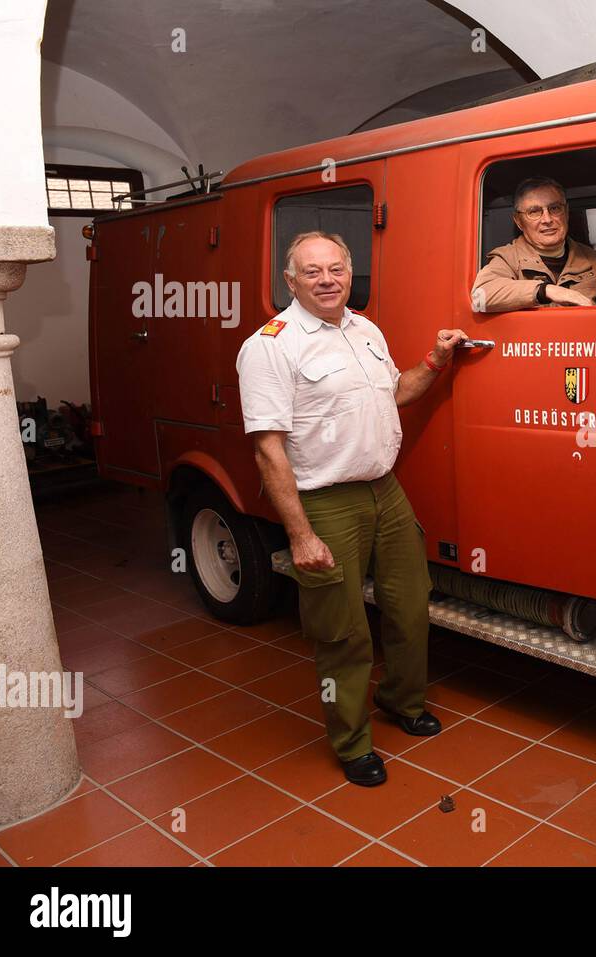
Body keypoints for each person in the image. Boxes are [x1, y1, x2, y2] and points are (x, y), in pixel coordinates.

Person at [235, 230, 467, 787]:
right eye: (311, 272)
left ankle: (403, 702)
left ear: (349, 272)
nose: (326, 280)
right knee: (343, 633)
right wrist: (300, 535)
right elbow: (268, 450)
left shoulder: (364, 329)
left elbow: (397, 392)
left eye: (335, 268)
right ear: (289, 282)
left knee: (411, 607)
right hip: (325, 501)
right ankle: (351, 740)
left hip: (385, 491)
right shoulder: (271, 345)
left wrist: (435, 361)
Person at [471, 176, 596, 311]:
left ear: (566, 213)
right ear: (519, 221)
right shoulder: (507, 259)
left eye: (554, 208)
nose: (547, 219)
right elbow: (480, 297)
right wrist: (545, 290)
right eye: (534, 211)